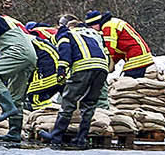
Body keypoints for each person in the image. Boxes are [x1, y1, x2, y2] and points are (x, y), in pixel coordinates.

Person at [0, 7, 47, 146]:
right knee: (16, 97)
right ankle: (14, 133)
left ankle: (7, 108)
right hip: (30, 57)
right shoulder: (10, 23)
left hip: (17, 52)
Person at [51, 14, 119, 147]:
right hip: (101, 68)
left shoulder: (67, 33)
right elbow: (105, 52)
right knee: (89, 103)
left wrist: (61, 71)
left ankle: (56, 136)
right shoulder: (94, 34)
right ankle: (81, 137)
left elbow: (65, 51)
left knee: (69, 102)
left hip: (83, 67)